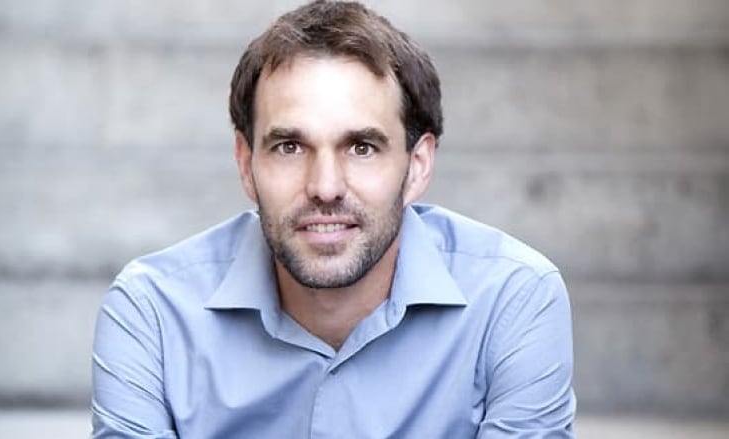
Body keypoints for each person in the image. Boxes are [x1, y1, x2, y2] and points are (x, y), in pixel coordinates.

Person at [91, 1, 576, 437]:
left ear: (418, 166)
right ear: (245, 162)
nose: (325, 186)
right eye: (289, 147)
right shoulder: (152, 312)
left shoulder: (512, 299)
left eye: (362, 147)